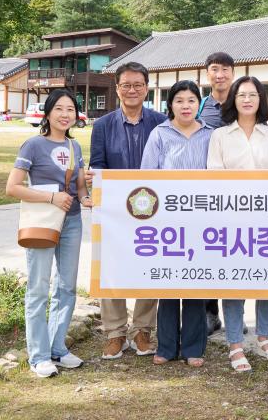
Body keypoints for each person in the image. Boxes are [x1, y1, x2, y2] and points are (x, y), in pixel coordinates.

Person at [5, 89, 93, 378]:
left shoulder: (75, 147)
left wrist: (86, 194)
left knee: (66, 287)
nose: (65, 114)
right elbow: (13, 187)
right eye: (60, 109)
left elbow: (79, 187)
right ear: (48, 113)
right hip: (43, 221)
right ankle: (38, 356)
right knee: (39, 288)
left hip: (72, 222)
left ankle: (57, 348)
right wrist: (51, 198)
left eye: (71, 109)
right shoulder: (32, 145)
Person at [206, 76, 268, 372]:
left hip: (267, 218)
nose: (247, 100)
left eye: (253, 95)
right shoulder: (220, 135)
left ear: (261, 99)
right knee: (234, 279)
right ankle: (235, 343)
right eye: (242, 95)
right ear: (233, 100)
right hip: (232, 218)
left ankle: (264, 337)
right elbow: (215, 176)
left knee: (267, 279)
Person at [90, 61, 167, 360]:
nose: (132, 90)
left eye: (138, 85)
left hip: (154, 207)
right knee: (111, 267)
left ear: (146, 88)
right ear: (117, 88)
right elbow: (98, 164)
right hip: (114, 209)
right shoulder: (103, 125)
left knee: (149, 265)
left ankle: (143, 330)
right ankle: (115, 332)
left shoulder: (161, 123)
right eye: (126, 85)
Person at [141, 80, 215, 367]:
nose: (186, 106)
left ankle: (194, 347)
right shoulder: (159, 134)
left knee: (195, 285)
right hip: (167, 221)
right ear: (170, 104)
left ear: (199, 104)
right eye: (180, 100)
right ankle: (167, 345)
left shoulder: (210, 135)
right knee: (169, 284)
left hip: (201, 219)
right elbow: (146, 177)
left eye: (191, 101)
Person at [197, 51, 235, 334]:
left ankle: (236, 315)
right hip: (207, 188)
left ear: (232, 73)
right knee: (209, 251)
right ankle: (210, 313)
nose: (219, 75)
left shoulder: (243, 101)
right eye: (214, 69)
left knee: (237, 251)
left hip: (239, 190)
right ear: (207, 73)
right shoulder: (198, 104)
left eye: (224, 69)